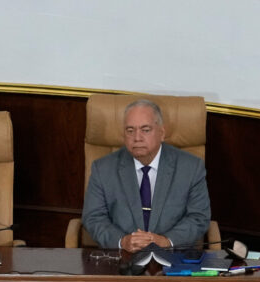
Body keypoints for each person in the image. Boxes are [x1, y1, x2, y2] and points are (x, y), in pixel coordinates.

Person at [81, 98, 211, 252]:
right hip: (122, 257)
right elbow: (93, 217)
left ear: (162, 133)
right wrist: (122, 241)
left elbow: (198, 217)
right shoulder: (103, 169)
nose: (137, 138)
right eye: (130, 130)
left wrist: (167, 241)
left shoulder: (191, 168)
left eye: (145, 130)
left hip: (172, 256)